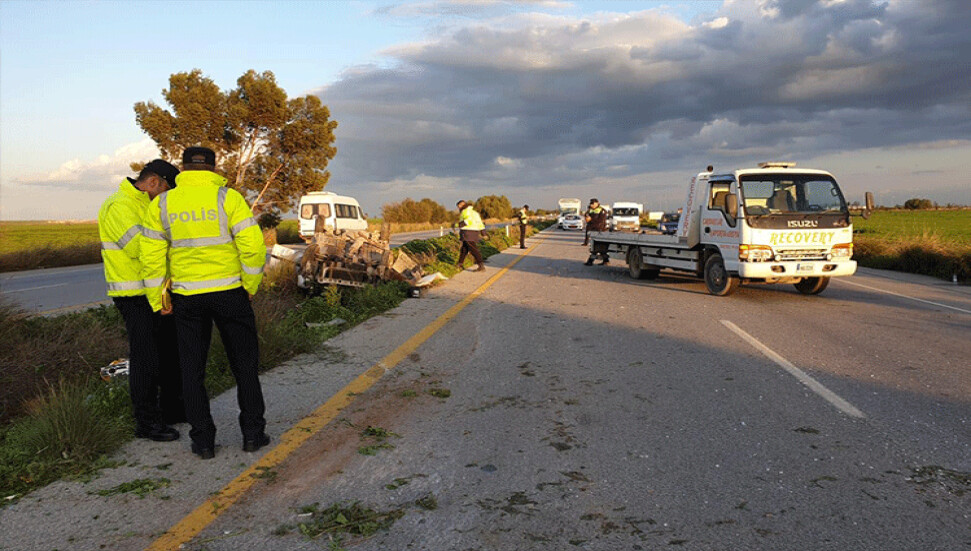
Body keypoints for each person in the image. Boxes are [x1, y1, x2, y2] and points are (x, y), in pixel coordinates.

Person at [141, 146, 269, 460]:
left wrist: (160, 299)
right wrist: (249, 284)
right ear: (213, 168)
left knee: (192, 370)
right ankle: (253, 435)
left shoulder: (163, 204)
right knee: (245, 366)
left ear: (183, 168)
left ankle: (203, 441)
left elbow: (151, 257)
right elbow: (252, 247)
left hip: (187, 298)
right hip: (230, 294)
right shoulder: (229, 198)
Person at [98, 159, 185, 442]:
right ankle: (146, 422)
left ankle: (172, 410)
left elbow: (158, 244)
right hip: (133, 295)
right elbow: (141, 248)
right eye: (166, 191)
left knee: (168, 353)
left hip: (156, 292)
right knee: (146, 358)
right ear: (153, 182)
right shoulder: (119, 205)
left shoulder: (146, 204)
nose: (166, 199)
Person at [453, 200, 486, 272]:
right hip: (474, 232)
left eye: (459, 206)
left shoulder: (465, 211)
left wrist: (456, 225)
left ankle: (481, 265)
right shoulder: (475, 213)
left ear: (462, 205)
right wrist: (483, 233)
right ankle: (459, 264)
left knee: (473, 249)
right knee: (464, 249)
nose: (459, 208)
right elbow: (480, 223)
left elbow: (468, 220)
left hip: (467, 232)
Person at [584, 198, 610, 266]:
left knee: (597, 247)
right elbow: (586, 216)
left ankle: (590, 261)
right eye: (591, 203)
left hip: (600, 231)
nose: (591, 205)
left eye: (593, 203)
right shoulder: (590, 210)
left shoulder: (602, 211)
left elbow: (600, 221)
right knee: (599, 248)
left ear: (597, 203)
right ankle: (606, 261)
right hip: (592, 231)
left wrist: (591, 220)